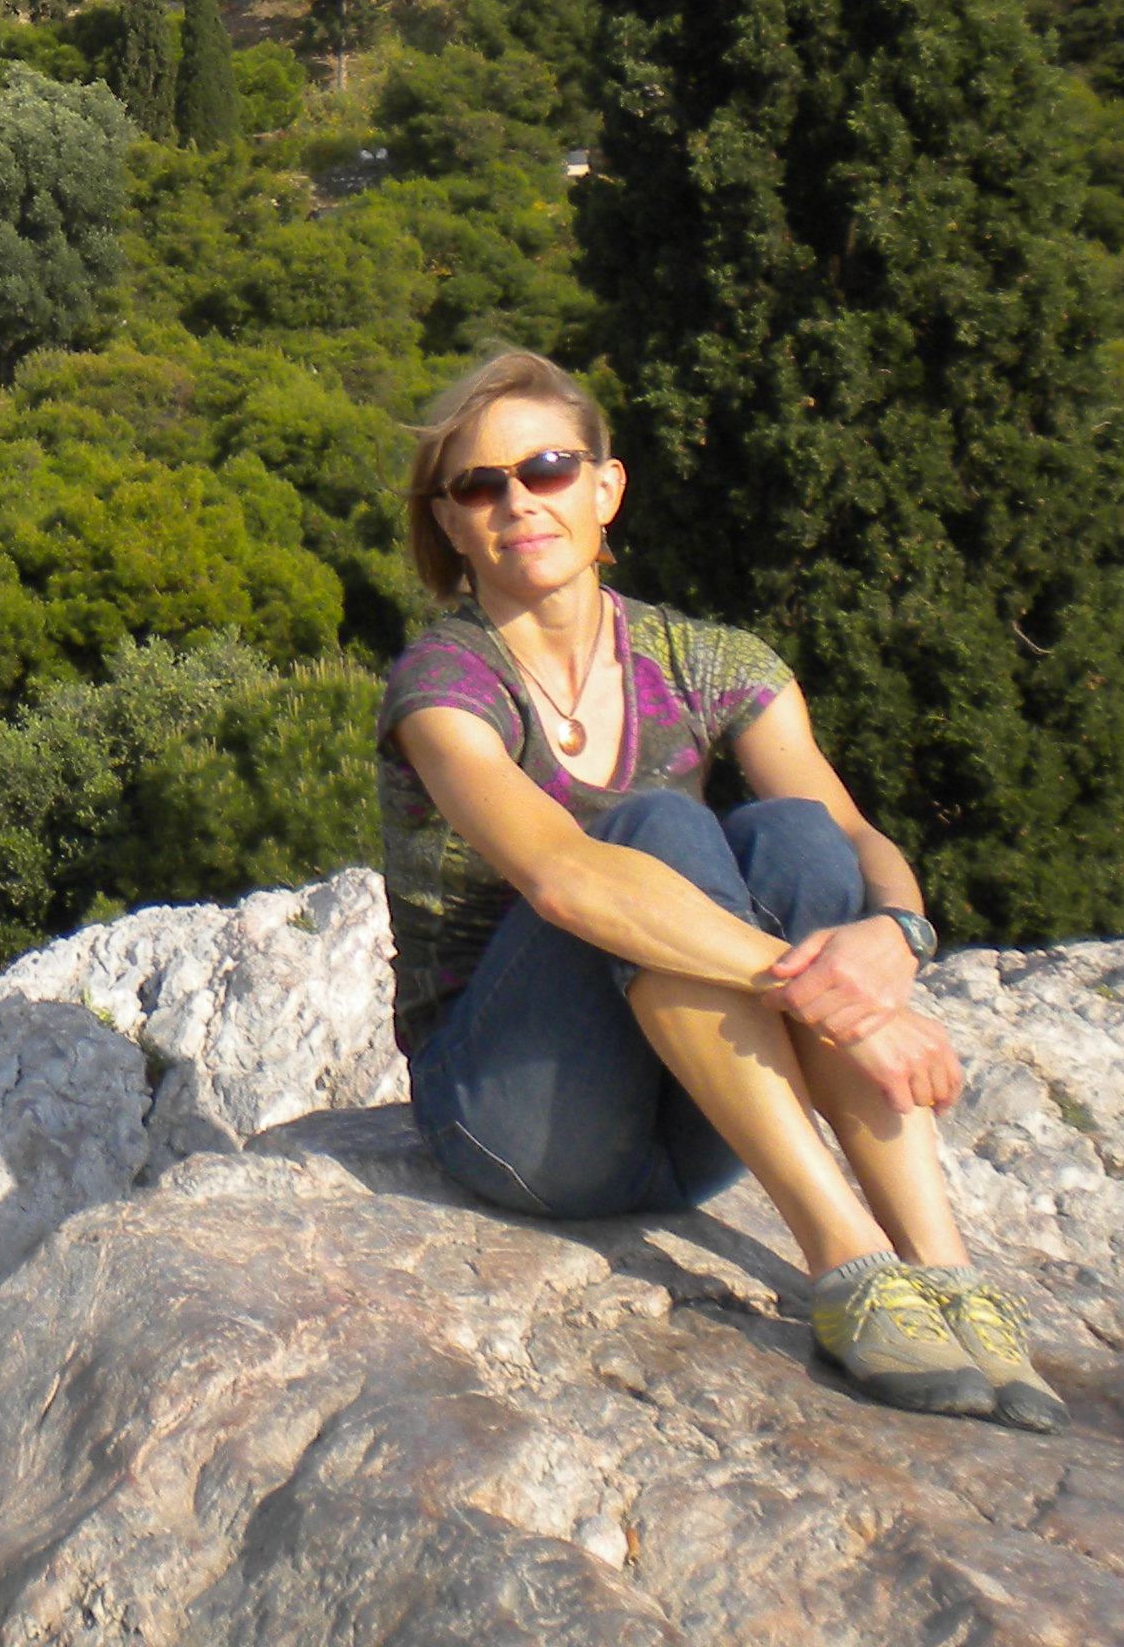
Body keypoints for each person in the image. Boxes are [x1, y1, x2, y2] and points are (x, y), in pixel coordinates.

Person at [376, 346, 1064, 1429]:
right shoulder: (443, 686)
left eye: (548, 469)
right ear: (453, 523)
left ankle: (944, 1273)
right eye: (479, 485)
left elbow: (848, 830)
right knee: (651, 827)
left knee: (790, 834)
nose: (519, 502)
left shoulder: (711, 660)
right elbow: (562, 880)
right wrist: (825, 996)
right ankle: (846, 1266)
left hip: (699, 1124)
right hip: (517, 1117)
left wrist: (897, 934)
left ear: (606, 487)